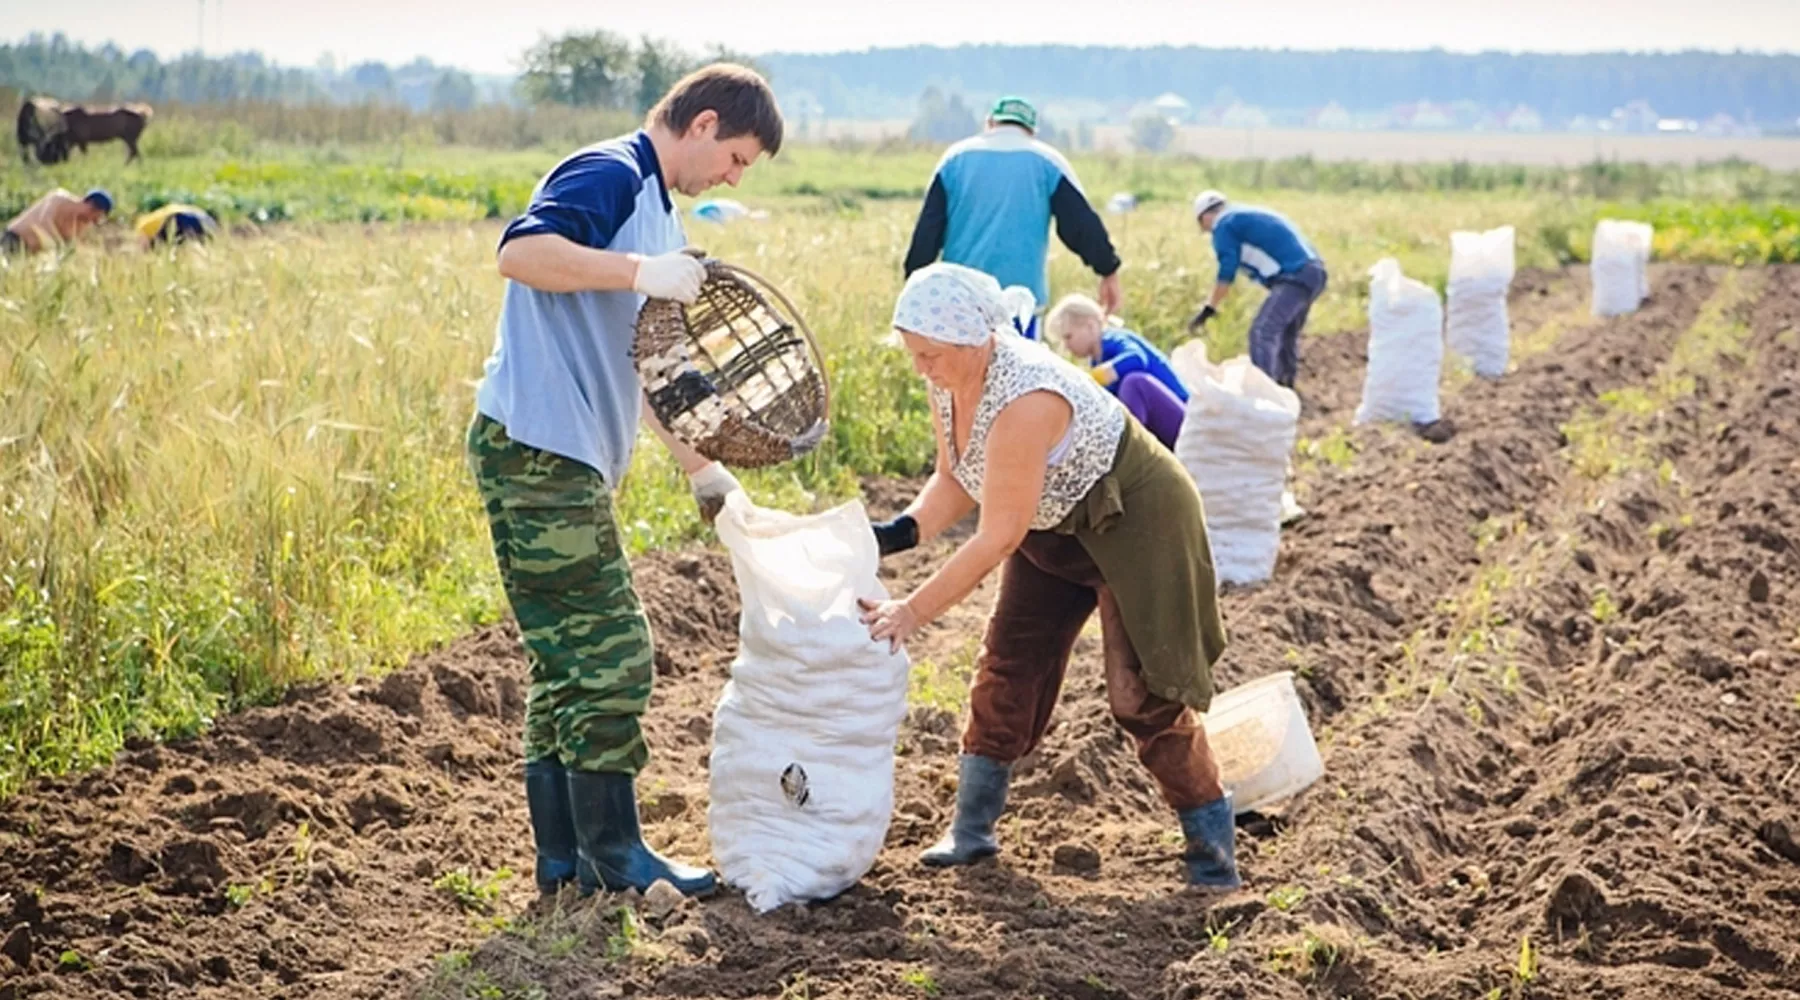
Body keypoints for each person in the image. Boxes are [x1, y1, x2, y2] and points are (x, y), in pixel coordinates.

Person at [465, 63, 783, 901]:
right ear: (706, 124)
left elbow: (652, 373)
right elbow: (521, 252)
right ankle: (619, 859)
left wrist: (705, 470)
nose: (734, 178)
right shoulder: (611, 170)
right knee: (613, 657)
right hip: (537, 444)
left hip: (563, 451)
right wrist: (639, 272)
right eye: (739, 158)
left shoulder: (657, 209)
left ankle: (564, 861)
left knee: (565, 663)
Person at [858, 262, 1241, 893]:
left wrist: (912, 611)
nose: (921, 367)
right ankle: (972, 831)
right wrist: (897, 533)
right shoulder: (949, 379)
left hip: (1134, 522)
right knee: (1009, 662)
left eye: (930, 354)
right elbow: (956, 477)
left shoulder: (1026, 399)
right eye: (913, 354)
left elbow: (997, 534)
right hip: (1052, 523)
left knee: (1140, 694)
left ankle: (1212, 852)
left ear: (975, 340)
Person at [903, 96, 1123, 339]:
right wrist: (1108, 270)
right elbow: (1082, 225)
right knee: (1019, 375)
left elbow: (928, 231)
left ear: (990, 123)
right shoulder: (1047, 162)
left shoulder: (955, 159)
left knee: (955, 375)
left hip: (960, 301)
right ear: (1030, 130)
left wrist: (914, 289)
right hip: (1022, 304)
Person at [1186, 190, 1328, 390]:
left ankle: (1265, 393)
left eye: (1203, 226)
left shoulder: (1224, 225)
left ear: (1205, 216)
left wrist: (1210, 307)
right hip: (1314, 272)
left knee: (1263, 331)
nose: (1208, 232)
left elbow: (1227, 269)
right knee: (1285, 333)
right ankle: (1286, 389)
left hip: (1294, 275)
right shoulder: (1243, 214)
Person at [1045, 292, 1190, 449]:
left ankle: (1132, 447)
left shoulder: (1111, 339)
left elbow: (1137, 358)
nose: (1066, 346)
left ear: (1090, 326)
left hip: (1184, 420)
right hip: (1167, 428)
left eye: (1068, 337)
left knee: (1134, 383)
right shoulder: (1096, 360)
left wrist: (1097, 377)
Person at [2, 187, 112, 254]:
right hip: (14, 239)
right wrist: (59, 243)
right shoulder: (59, 198)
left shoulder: (81, 224)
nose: (91, 219)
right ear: (88, 204)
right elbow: (44, 220)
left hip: (30, 254)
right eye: (93, 213)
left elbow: (70, 245)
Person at [135, 202, 218, 248]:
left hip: (179, 217)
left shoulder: (142, 225)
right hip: (200, 220)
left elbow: (143, 244)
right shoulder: (154, 218)